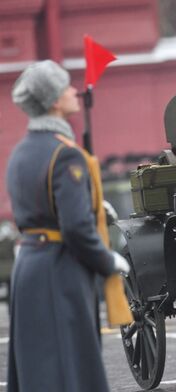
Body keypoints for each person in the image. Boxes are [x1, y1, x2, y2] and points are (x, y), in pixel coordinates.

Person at [6, 60, 130, 392]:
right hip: (60, 272)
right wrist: (107, 261)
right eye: (65, 87)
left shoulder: (20, 153)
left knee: (40, 374)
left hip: (30, 269)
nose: (74, 91)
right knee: (70, 373)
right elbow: (75, 227)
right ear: (52, 101)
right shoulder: (66, 155)